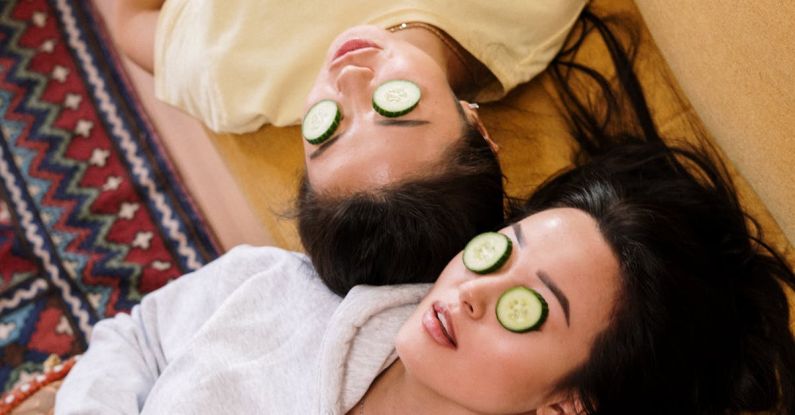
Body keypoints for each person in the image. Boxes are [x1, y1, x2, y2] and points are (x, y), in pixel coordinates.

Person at [55, 14, 795, 413]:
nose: (471, 290)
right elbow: (136, 336)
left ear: (565, 406)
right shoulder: (280, 288)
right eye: (498, 251)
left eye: (528, 307)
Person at [112, 0, 588, 295]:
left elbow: (130, 21)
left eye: (326, 127)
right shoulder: (529, 9)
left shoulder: (227, 72)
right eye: (396, 106)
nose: (351, 79)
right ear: (476, 126)